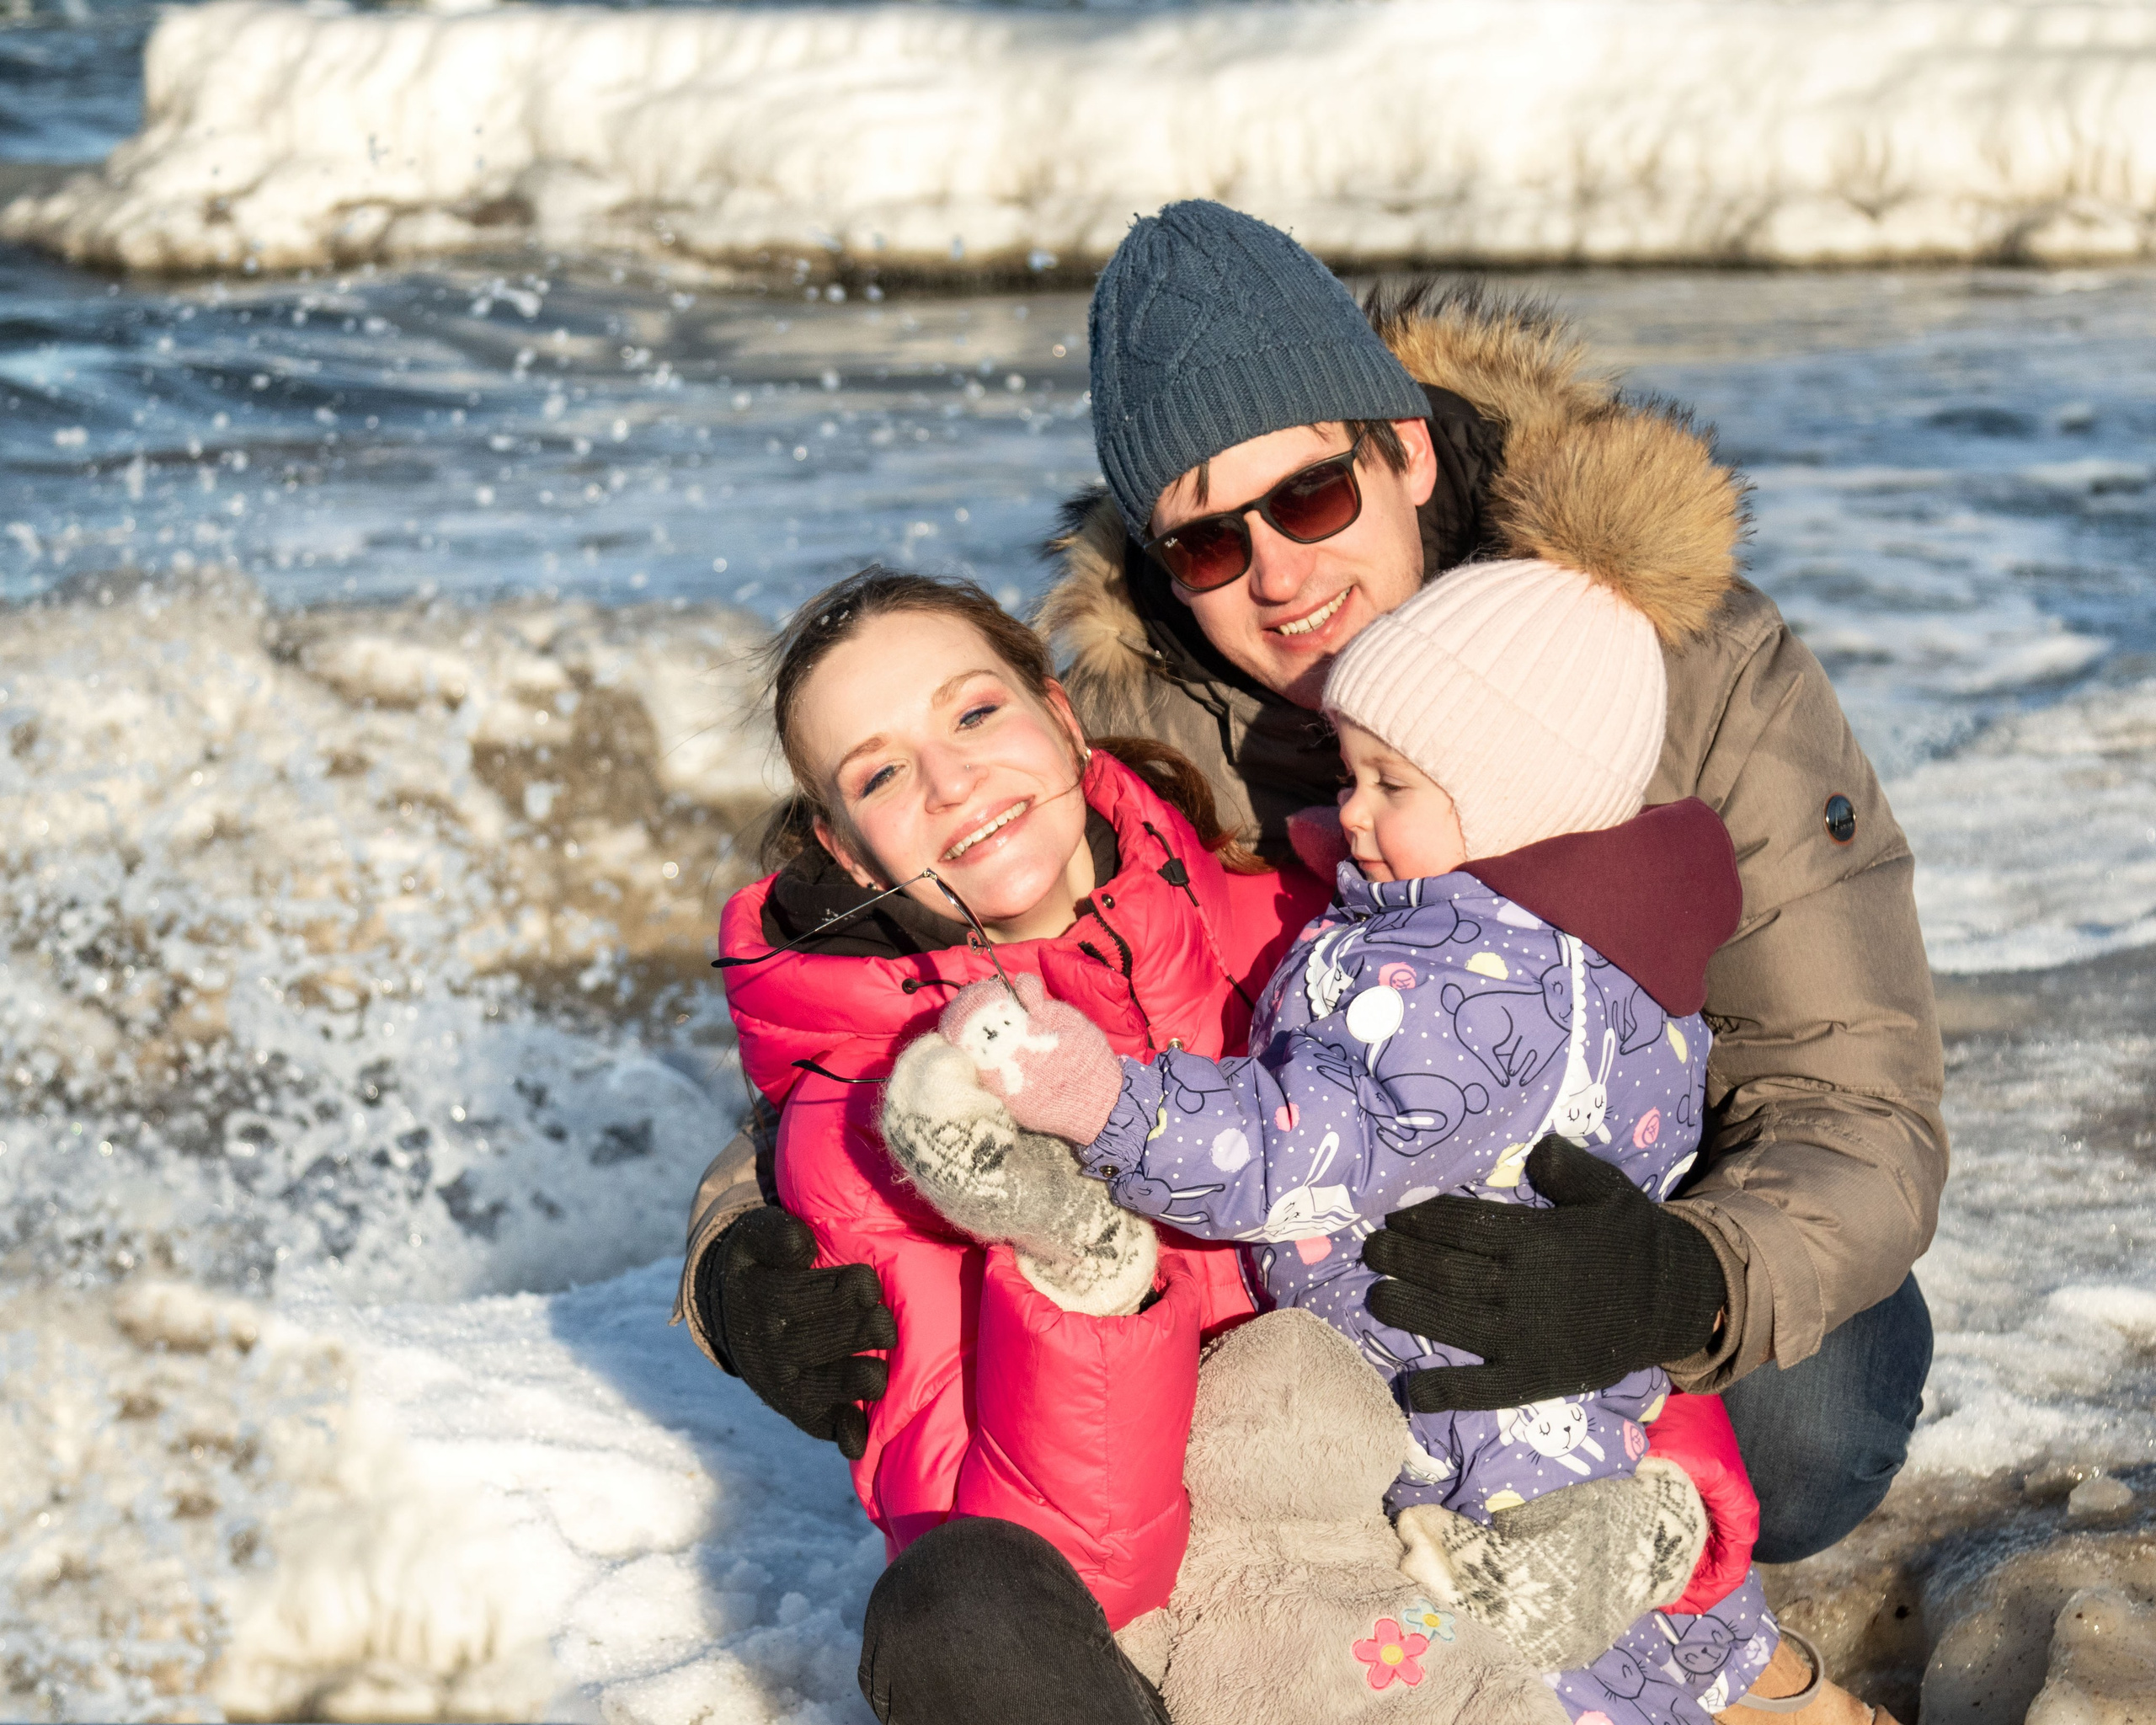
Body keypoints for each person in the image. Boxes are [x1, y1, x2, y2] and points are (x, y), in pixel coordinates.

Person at [681, 201, 1942, 1578]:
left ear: (1399, 451)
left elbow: (1853, 1093)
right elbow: (899, 1004)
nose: (1278, 576)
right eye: (1207, 544)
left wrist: (1681, 1280)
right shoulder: (1139, 729)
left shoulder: (1680, 661)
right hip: (1324, 1248)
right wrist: (731, 1259)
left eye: (1308, 498)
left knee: (1809, 1429)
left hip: (1638, 1204)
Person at [904, 553, 1892, 1723]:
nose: (1347, 812)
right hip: (1467, 1393)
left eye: (1387, 785)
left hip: (1481, 1420)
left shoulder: (1477, 993)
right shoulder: (1530, 934)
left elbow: (1286, 1153)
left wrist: (1103, 1100)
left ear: (1512, 798)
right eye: (1345, 775)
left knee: (1539, 1667)